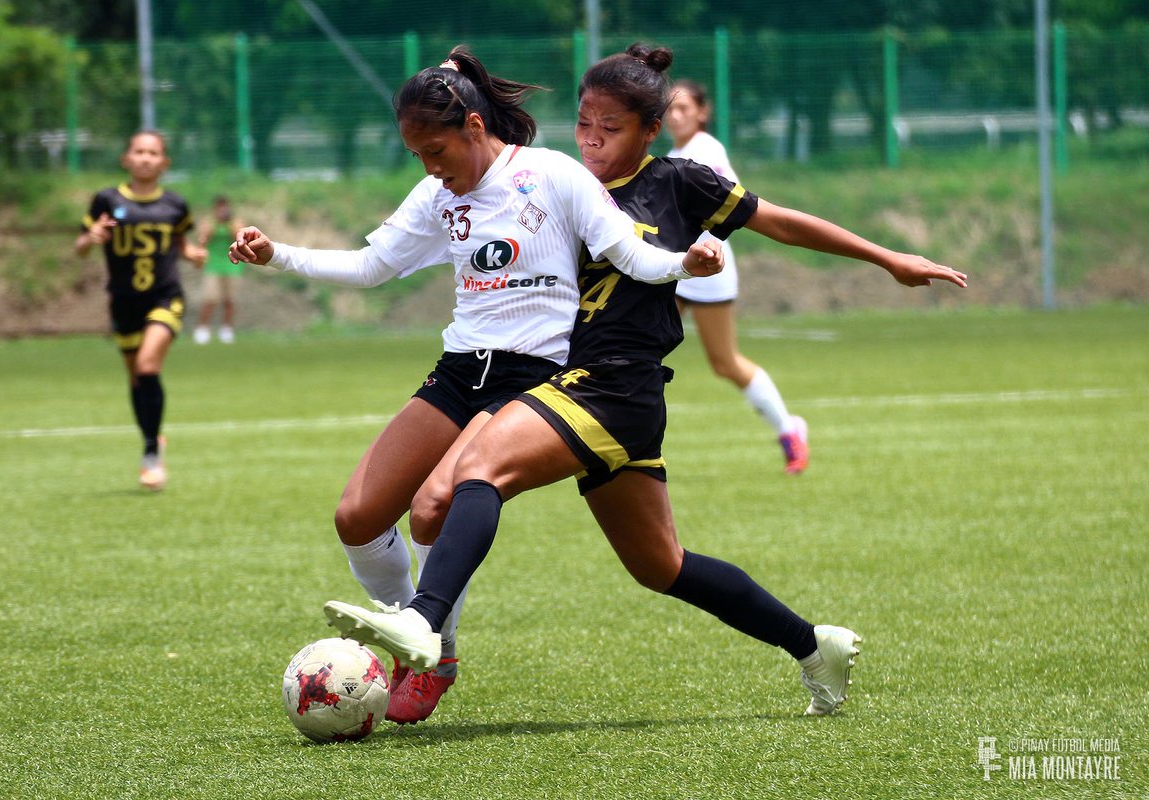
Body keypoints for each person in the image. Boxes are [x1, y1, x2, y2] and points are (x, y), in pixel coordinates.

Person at [324, 43, 967, 721]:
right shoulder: (551, 181)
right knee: (662, 565)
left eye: (612, 128)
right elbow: (477, 155)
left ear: (648, 131)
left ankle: (425, 627)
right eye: (584, 125)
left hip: (613, 388)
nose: (594, 140)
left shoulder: (679, 183)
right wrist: (457, 85)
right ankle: (815, 646)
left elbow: (780, 221)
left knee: (472, 475)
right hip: (578, 386)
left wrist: (887, 257)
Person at [227, 47, 722, 724]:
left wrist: (685, 264)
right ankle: (417, 632)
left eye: (437, 150)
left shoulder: (551, 175)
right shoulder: (438, 193)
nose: (431, 169)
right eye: (417, 157)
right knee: (357, 518)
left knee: (435, 503)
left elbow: (632, 254)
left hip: (535, 375)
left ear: (472, 126)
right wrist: (276, 254)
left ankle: (433, 649)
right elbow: (375, 266)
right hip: (462, 369)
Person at [666, 79, 808, 474]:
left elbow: (724, 210)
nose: (674, 116)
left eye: (683, 108)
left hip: (709, 268)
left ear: (702, 112)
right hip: (678, 267)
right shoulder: (676, 153)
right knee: (639, 347)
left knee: (725, 362)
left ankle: (789, 429)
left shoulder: (705, 152)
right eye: (669, 109)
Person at [75, 130, 207, 491]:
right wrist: (91, 238)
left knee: (149, 365)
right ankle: (153, 439)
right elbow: (81, 246)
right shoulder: (106, 199)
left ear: (164, 163)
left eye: (153, 152)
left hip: (164, 297)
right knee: (137, 378)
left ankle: (151, 452)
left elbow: (179, 243)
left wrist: (191, 253)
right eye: (139, 151)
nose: (146, 158)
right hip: (123, 300)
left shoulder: (175, 205)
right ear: (126, 159)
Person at [193, 195, 244, 344]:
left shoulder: (234, 222)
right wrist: (215, 224)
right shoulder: (209, 222)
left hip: (232, 266)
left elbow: (238, 237)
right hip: (213, 265)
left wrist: (228, 223)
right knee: (210, 299)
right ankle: (202, 329)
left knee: (230, 300)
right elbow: (203, 238)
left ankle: (226, 329)